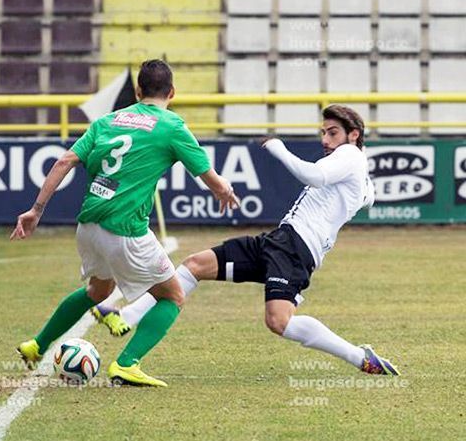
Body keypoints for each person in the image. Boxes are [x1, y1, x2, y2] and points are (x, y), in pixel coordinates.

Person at [93, 104, 401, 376]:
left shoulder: (348, 155)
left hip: (296, 249)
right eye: (323, 133)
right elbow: (367, 198)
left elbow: (314, 176)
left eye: (332, 133)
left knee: (278, 321)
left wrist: (278, 147)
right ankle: (126, 315)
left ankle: (360, 357)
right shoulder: (356, 167)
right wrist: (365, 191)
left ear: (354, 135)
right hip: (281, 240)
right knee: (195, 265)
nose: (324, 140)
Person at [12, 59, 239, 387]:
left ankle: (37, 345)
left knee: (98, 290)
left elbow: (64, 161)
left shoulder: (106, 122)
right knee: (173, 296)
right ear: (172, 92)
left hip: (88, 227)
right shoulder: (172, 126)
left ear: (137, 91)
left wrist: (35, 210)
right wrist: (224, 190)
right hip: (124, 230)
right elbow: (211, 178)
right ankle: (126, 364)